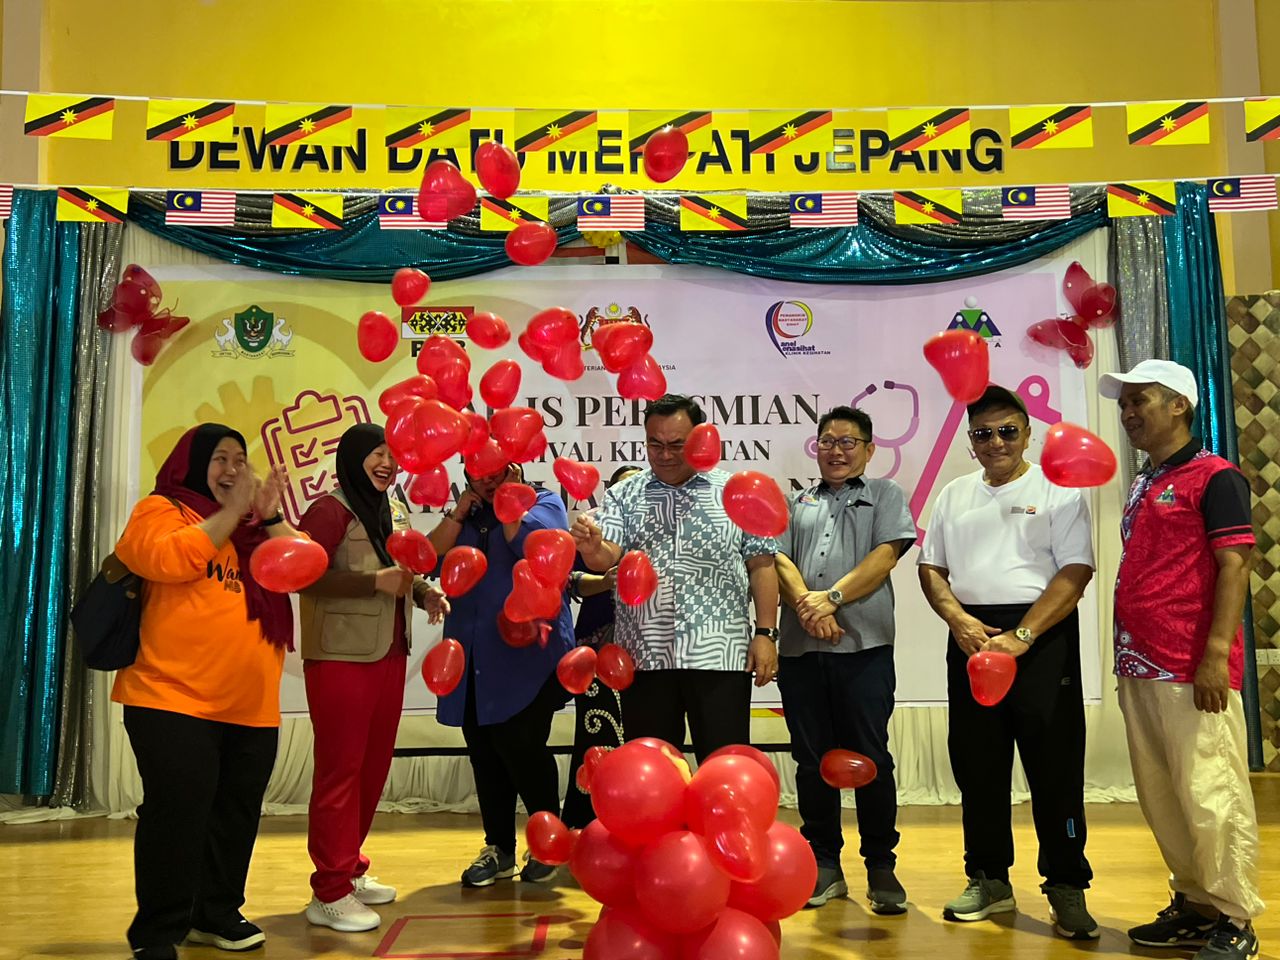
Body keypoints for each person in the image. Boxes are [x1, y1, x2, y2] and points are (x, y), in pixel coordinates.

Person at [917, 385, 1098, 940]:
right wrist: (959, 621)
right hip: (972, 641)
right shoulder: (953, 495)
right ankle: (989, 878)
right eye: (983, 433)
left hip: (1040, 638)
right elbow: (931, 569)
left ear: (1027, 433)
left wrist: (1023, 634)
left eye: (1007, 431)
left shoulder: (1058, 489)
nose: (995, 442)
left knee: (1055, 767)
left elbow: (1075, 572)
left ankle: (1066, 884)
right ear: (970, 441)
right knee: (978, 766)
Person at [112, 424, 299, 960]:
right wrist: (230, 514)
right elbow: (165, 559)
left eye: (240, 459)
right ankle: (157, 931)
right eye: (220, 458)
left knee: (236, 816)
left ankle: (215, 913)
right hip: (170, 698)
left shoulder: (254, 529)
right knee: (177, 814)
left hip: (250, 705)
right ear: (192, 464)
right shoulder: (161, 510)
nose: (233, 469)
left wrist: (268, 517)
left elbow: (302, 568)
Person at [1099, 359, 1263, 960]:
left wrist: (1216, 655)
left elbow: (1235, 566)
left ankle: (1235, 917)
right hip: (1139, 662)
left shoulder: (1216, 477)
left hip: (1192, 666)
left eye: (1140, 400)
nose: (1128, 413)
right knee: (1162, 795)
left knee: (1211, 792)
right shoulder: (1147, 480)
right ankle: (1196, 904)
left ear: (1179, 406)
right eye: (1124, 403)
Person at [297, 424, 450, 932]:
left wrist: (424, 592)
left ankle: (349, 868)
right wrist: (372, 583)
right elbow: (303, 576)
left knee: (371, 768)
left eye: (392, 455)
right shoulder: (328, 511)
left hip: (388, 652)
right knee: (340, 770)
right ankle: (328, 891)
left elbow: (399, 571)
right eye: (377, 454)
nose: (387, 464)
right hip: (340, 657)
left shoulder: (390, 508)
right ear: (353, 458)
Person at [571, 394, 780, 761]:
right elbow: (607, 556)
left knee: (724, 765)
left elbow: (761, 564)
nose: (665, 454)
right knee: (652, 769)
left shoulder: (735, 492)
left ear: (700, 439)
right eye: (655, 444)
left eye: (676, 444)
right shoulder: (624, 494)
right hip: (645, 655)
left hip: (719, 653)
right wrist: (591, 547)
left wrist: (766, 633)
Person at [774, 406, 916, 914]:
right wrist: (808, 609)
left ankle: (880, 865)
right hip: (801, 651)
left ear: (869, 449)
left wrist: (830, 599)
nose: (836, 451)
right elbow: (779, 559)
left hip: (864, 649)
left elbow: (884, 558)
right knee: (811, 761)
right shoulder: (794, 502)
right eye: (827, 441)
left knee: (870, 758)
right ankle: (823, 863)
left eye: (848, 442)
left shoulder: (885, 495)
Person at [427, 461, 574, 887]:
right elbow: (432, 559)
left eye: (497, 471)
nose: (488, 481)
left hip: (529, 658)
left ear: (515, 466)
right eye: (479, 474)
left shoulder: (544, 502)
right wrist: (457, 513)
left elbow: (534, 550)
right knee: (483, 749)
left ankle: (547, 844)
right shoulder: (468, 514)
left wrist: (509, 503)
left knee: (521, 745)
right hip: (472, 655)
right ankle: (498, 848)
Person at [561, 464, 643, 829]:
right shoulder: (591, 530)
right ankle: (585, 824)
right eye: (623, 487)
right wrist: (605, 580)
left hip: (649, 648)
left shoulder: (658, 526)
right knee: (595, 735)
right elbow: (568, 580)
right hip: (596, 646)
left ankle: (642, 821)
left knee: (644, 736)